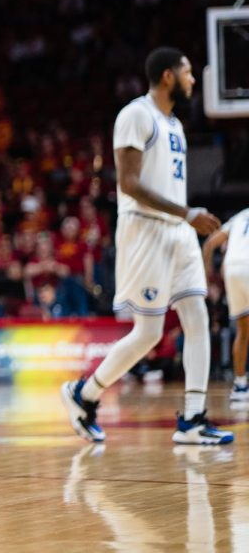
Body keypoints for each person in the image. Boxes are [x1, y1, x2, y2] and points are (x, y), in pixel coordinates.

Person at [61, 48, 232, 445]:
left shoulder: (174, 124)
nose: (194, 80)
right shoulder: (135, 114)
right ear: (168, 76)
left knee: (197, 318)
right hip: (146, 230)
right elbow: (129, 183)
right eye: (188, 73)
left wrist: (186, 219)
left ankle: (193, 419)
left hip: (178, 232)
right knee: (149, 333)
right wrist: (188, 213)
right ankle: (83, 393)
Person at [202, 206, 249, 405]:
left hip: (233, 267)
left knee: (243, 329)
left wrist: (205, 278)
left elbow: (210, 243)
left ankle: (240, 385)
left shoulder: (240, 216)